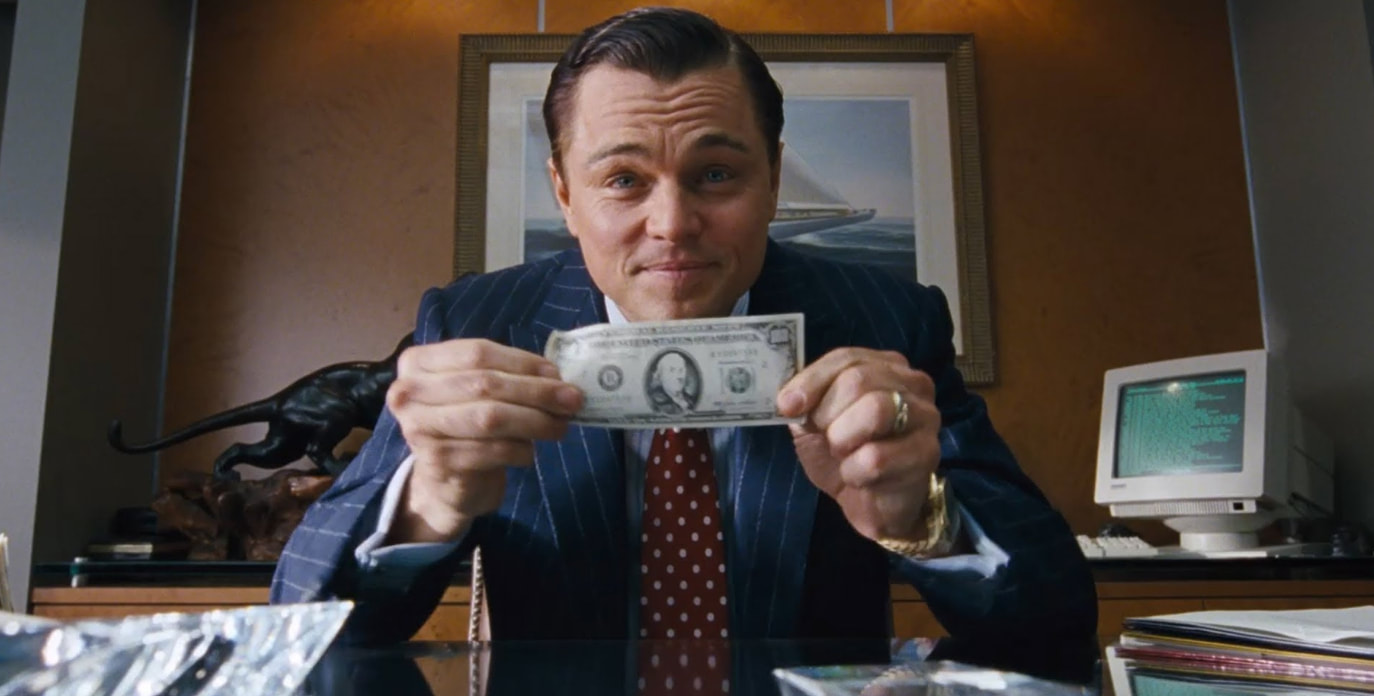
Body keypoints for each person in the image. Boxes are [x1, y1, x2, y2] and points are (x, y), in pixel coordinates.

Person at [272, 7, 1096, 647]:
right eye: (623, 180)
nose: (672, 225)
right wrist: (424, 505)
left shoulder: (887, 322)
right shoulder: (475, 323)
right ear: (565, 194)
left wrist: (925, 516)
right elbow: (299, 625)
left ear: (773, 179)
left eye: (716, 174)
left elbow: (1057, 618)